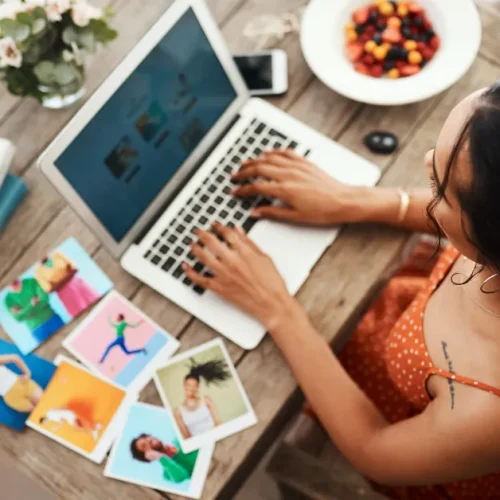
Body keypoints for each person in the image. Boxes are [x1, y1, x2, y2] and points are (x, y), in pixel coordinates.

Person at [181, 83, 500, 498]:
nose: (425, 162)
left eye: (439, 189)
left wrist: (275, 306)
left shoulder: (486, 413)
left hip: (419, 446)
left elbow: (373, 451)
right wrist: (354, 200)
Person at [173, 359, 228, 438]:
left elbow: (218, 422)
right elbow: (187, 437)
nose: (191, 388)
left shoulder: (206, 400)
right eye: (188, 385)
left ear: (197, 387)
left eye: (194, 385)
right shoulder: (178, 412)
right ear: (184, 385)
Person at [34, 252, 99, 318]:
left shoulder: (58, 255)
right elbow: (49, 289)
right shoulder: (38, 272)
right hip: (65, 295)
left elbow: (74, 268)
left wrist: (56, 283)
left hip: (78, 285)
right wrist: (68, 273)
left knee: (97, 302)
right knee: (82, 315)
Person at [4, 278, 64, 344]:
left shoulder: (31, 282)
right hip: (37, 329)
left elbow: (45, 298)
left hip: (52, 319)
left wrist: (25, 312)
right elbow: (18, 318)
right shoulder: (8, 299)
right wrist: (31, 304)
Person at [130, 433, 197, 483]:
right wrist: (160, 457)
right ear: (147, 456)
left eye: (146, 437)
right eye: (144, 445)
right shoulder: (167, 474)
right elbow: (180, 476)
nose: (149, 440)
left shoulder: (179, 439)